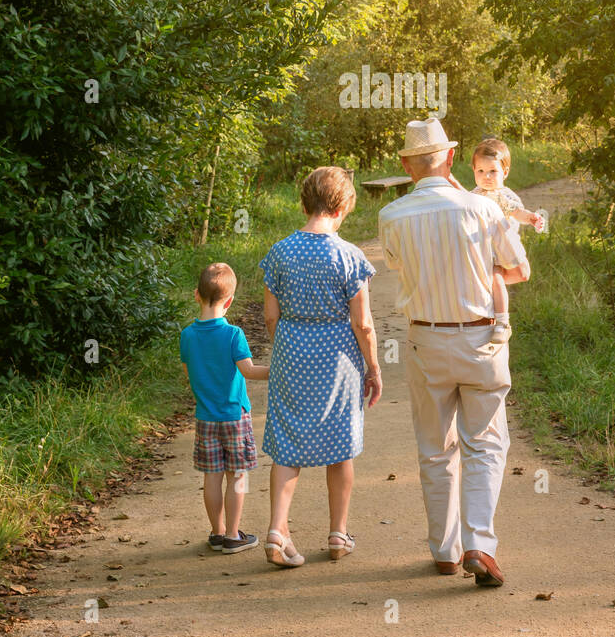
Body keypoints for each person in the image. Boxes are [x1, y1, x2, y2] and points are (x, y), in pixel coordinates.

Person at [378, 118, 530, 588]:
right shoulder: (484, 209)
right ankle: (478, 544)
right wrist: (483, 273)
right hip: (480, 338)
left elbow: (401, 268)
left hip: (426, 338)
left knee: (434, 445)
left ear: (406, 165)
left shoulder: (392, 216)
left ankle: (444, 551)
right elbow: (519, 270)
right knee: (484, 442)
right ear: (449, 158)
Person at [258, 166, 382, 568]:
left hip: (292, 348)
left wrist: (285, 352)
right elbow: (362, 324)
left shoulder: (279, 252)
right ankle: (338, 534)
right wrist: (373, 367)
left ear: (304, 202)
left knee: (287, 443)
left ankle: (278, 530)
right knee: (340, 446)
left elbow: (270, 317)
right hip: (338, 356)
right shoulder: (350, 256)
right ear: (343, 205)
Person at [180, 262, 268, 555]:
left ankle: (216, 533)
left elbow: (188, 372)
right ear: (229, 301)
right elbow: (250, 371)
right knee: (238, 476)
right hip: (234, 416)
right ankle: (233, 534)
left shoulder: (187, 335)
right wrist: (280, 370)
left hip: (205, 417)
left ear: (196, 295)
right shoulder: (233, 335)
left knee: (212, 477)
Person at [471, 136, 545, 345]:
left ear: (505, 172)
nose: (486, 177)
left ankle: (503, 322)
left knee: (496, 277)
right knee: (487, 279)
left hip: (500, 248)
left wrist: (531, 217)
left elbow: (516, 212)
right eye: (480, 171)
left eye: (492, 171)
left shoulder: (501, 196)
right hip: (480, 247)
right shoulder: (474, 194)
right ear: (474, 172)